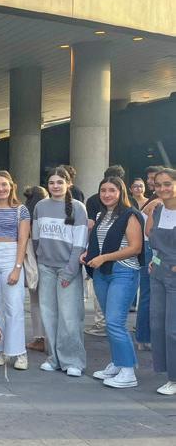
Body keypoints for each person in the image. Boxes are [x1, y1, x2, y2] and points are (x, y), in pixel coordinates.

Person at [85, 176, 144, 388]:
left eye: (112, 190)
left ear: (121, 192)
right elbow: (100, 243)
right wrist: (89, 254)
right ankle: (118, 363)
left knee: (114, 322)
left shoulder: (130, 215)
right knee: (110, 323)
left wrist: (104, 257)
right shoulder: (102, 215)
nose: (107, 194)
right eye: (103, 190)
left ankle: (128, 372)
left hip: (123, 272)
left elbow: (135, 248)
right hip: (102, 272)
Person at [32, 166, 88, 377]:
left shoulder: (78, 208)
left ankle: (73, 361)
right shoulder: (40, 206)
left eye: (60, 182)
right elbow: (36, 237)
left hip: (67, 268)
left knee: (69, 316)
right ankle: (54, 358)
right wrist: (39, 260)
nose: (55, 186)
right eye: (52, 182)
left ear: (68, 184)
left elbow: (80, 243)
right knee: (48, 315)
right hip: (45, 267)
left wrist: (70, 270)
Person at [0, 170, 31, 370]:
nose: (0, 188)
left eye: (4, 185)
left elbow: (23, 240)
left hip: (11, 253)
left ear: (11, 186)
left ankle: (18, 353)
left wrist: (17, 267)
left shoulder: (21, 210)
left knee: (14, 305)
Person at [146, 168, 176, 395]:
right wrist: (154, 260)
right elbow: (152, 238)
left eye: (167, 184)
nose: (163, 189)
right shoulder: (157, 210)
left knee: (173, 328)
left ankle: (174, 379)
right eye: (158, 185)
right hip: (157, 272)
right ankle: (168, 373)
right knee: (157, 325)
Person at [24, 185, 49, 354]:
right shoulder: (47, 213)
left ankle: (39, 338)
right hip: (49, 261)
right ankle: (50, 337)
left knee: (36, 302)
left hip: (33, 262)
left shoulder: (26, 215)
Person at [133, 177, 155, 351]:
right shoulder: (156, 204)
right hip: (152, 249)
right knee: (149, 294)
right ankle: (144, 337)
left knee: (149, 294)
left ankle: (145, 337)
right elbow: (148, 232)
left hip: (153, 249)